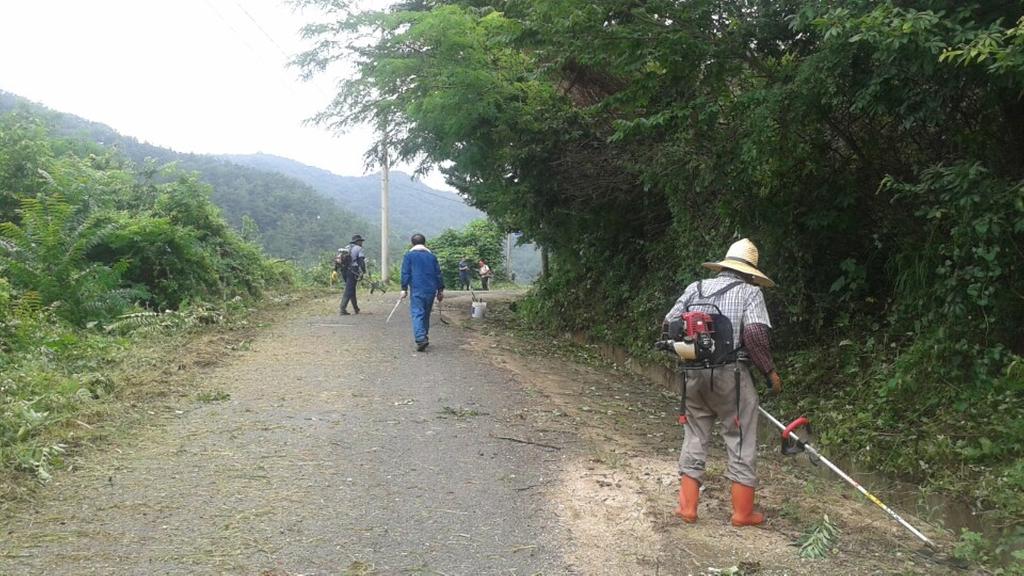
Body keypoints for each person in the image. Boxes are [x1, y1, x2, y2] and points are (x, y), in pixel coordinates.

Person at [662, 238, 782, 527]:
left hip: (693, 375)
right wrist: (769, 372)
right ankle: (742, 514)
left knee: (694, 435)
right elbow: (754, 336)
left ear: (725, 266)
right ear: (750, 272)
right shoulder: (750, 292)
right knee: (739, 437)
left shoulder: (696, 288)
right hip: (732, 376)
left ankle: (688, 509)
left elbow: (669, 324)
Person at [400, 233, 444, 351]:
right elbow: (438, 274)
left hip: (417, 289)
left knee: (417, 312)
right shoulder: (432, 257)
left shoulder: (409, 256)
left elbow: (405, 273)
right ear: (425, 243)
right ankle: (424, 336)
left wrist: (404, 288)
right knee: (426, 314)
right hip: (431, 290)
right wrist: (440, 290)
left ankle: (420, 338)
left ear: (412, 243)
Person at [339, 234, 366, 315]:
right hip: (353, 270)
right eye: (361, 241)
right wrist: (363, 271)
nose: (362, 243)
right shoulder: (359, 248)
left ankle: (356, 308)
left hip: (344, 270)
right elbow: (361, 261)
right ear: (358, 242)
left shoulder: (346, 247)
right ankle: (342, 308)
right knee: (349, 290)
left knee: (351, 289)